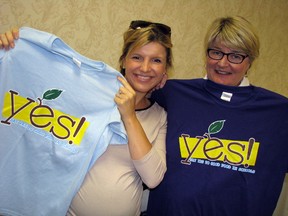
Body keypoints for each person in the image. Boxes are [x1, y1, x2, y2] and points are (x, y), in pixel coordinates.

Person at [0, 20, 173, 216]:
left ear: (165, 69)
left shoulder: (160, 115)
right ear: (124, 60)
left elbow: (153, 178)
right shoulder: (88, 97)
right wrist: (12, 51)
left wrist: (130, 117)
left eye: (156, 60)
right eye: (137, 57)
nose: (145, 67)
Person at [146, 16, 288, 216]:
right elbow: (128, 96)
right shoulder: (172, 93)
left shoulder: (279, 113)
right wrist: (152, 76)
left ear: (250, 61)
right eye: (216, 52)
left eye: (236, 56)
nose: (223, 63)